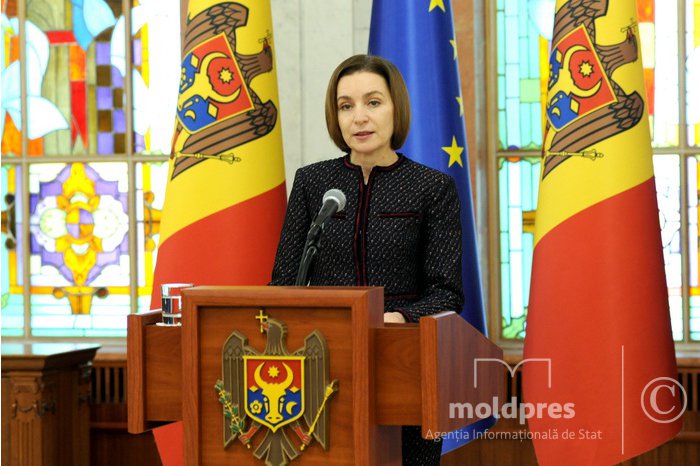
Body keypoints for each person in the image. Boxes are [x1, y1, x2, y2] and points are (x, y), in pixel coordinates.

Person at [270, 54, 464, 465]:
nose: (359, 117)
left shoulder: (432, 187)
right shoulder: (312, 183)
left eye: (373, 102)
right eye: (346, 106)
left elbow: (447, 293)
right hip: (321, 366)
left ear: (396, 108)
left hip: (404, 365)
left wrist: (397, 318)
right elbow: (283, 282)